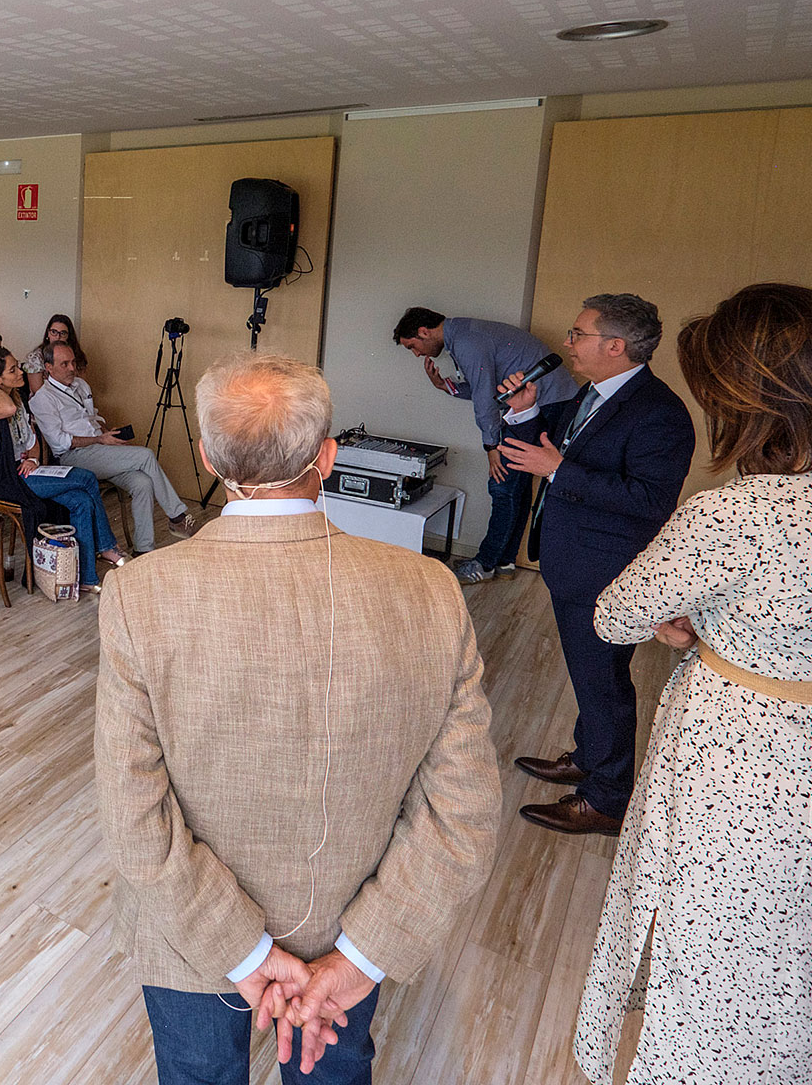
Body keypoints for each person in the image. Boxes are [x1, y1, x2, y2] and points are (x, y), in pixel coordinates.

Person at [96, 352, 500, 1084]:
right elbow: (463, 814)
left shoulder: (141, 594)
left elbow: (134, 818)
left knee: (197, 1074)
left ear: (208, 458)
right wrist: (360, 958)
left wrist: (247, 954)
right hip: (348, 929)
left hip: (191, 933)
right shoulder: (431, 591)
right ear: (329, 456)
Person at [572, 283, 812, 1085]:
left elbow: (615, 616)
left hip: (740, 758)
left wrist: (691, 626)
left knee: (714, 950)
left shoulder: (736, 514)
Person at [500, 293, 695, 836]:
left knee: (603, 684)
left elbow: (651, 501)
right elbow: (542, 448)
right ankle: (588, 756)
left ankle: (607, 798)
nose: (567, 342)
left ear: (616, 346)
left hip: (606, 572)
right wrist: (526, 412)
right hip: (570, 560)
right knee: (593, 678)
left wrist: (561, 471)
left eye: (577, 334)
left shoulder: (659, 414)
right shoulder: (591, 392)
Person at [394, 306, 579, 584]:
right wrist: (448, 387)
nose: (417, 353)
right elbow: (491, 389)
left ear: (423, 331)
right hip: (552, 401)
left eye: (413, 346)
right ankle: (502, 561)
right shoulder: (465, 334)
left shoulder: (467, 342)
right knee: (514, 485)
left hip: (547, 404)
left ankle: (485, 563)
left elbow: (484, 399)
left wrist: (492, 446)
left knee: (503, 486)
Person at [0, 349, 120, 589]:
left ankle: (86, 578)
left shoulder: (18, 400)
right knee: (87, 478)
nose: (21, 372)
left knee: (81, 500)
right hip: (8, 478)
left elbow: (33, 443)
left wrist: (34, 460)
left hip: (29, 471)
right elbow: (6, 410)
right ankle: (106, 546)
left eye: (17, 367)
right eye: (13, 370)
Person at [31, 341, 194, 553]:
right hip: (74, 457)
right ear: (48, 367)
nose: (71, 368)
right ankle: (176, 516)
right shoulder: (42, 399)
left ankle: (143, 549)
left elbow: (93, 417)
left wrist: (108, 433)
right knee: (145, 455)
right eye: (64, 364)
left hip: (101, 450)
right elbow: (60, 442)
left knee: (143, 483)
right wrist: (100, 440)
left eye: (73, 362)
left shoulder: (81, 386)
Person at [23, 313, 86, 394]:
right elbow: (38, 391)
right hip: (46, 401)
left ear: (68, 336)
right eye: (54, 332)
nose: (57, 337)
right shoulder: (36, 357)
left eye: (63, 333)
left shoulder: (76, 354)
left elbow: (82, 387)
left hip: (73, 398)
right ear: (48, 333)